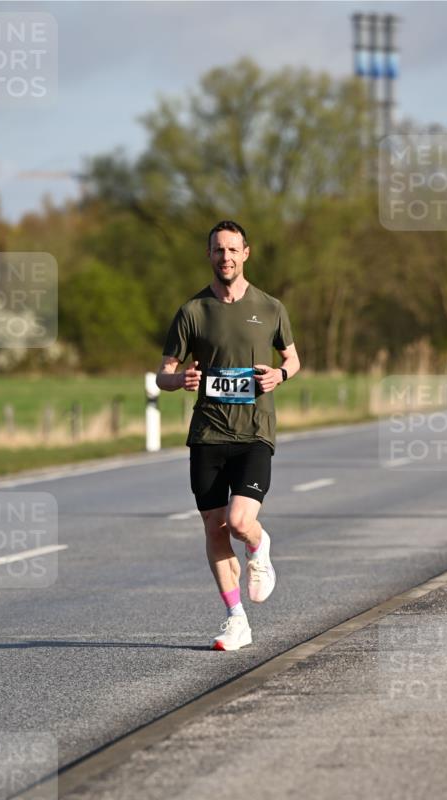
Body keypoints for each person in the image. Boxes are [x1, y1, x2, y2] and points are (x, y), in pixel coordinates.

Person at [157, 221, 300, 649]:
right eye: (218, 250)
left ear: (246, 253)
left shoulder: (270, 307)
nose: (226, 257)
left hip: (255, 430)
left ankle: (260, 546)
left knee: (240, 522)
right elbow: (162, 374)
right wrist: (178, 379)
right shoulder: (192, 312)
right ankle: (235, 618)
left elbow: (292, 359)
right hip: (207, 433)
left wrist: (280, 374)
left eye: (233, 250)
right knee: (214, 526)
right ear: (209, 255)